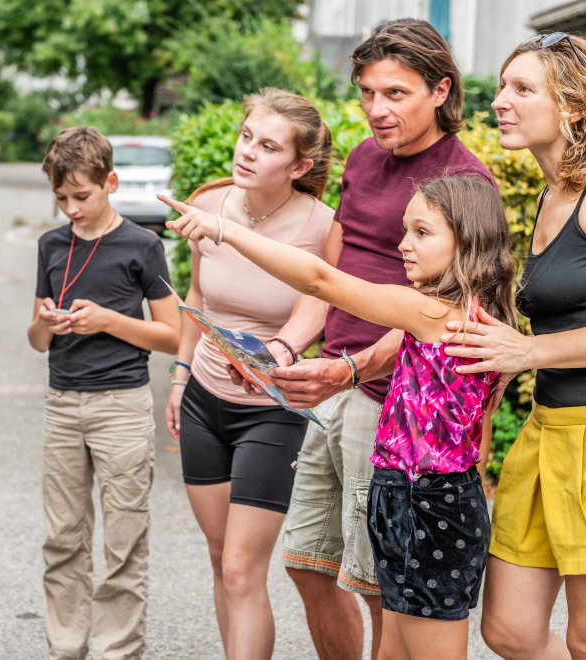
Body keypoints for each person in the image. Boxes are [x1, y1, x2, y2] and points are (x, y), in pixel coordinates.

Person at [159, 171, 517, 660]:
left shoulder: (441, 316)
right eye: (405, 229)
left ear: (468, 241)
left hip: (430, 507)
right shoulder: (455, 311)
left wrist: (224, 229)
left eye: (422, 233)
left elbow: (320, 279)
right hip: (406, 496)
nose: (403, 245)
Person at [227, 18, 497, 660]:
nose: (377, 110)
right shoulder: (364, 158)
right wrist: (288, 349)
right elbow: (330, 277)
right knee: (305, 562)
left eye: (396, 94)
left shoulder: (465, 182)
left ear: (442, 91)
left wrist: (351, 371)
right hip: (335, 384)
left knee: (382, 588)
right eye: (368, 93)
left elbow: (441, 324)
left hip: (392, 407)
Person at [164, 88, 335, 660]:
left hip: (270, 413)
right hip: (202, 402)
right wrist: (180, 376)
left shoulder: (322, 226)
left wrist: (284, 352)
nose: (248, 153)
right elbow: (196, 297)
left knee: (242, 569)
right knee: (220, 560)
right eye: (245, 137)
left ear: (300, 165)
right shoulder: (209, 201)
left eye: (267, 146)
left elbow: (323, 302)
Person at [437, 34, 586, 660]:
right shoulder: (553, 195)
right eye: (502, 86)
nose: (500, 101)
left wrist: (525, 353)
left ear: (574, 108)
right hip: (545, 430)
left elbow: (537, 345)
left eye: (522, 89)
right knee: (510, 630)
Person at [27, 126, 181, 660]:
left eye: (82, 196)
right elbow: (34, 339)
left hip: (120, 405)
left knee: (123, 540)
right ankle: (65, 647)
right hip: (63, 403)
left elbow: (171, 334)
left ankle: (118, 651)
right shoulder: (50, 245)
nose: (71, 208)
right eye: (61, 198)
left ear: (110, 183)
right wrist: (48, 322)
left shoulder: (142, 245)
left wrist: (109, 321)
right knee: (62, 538)